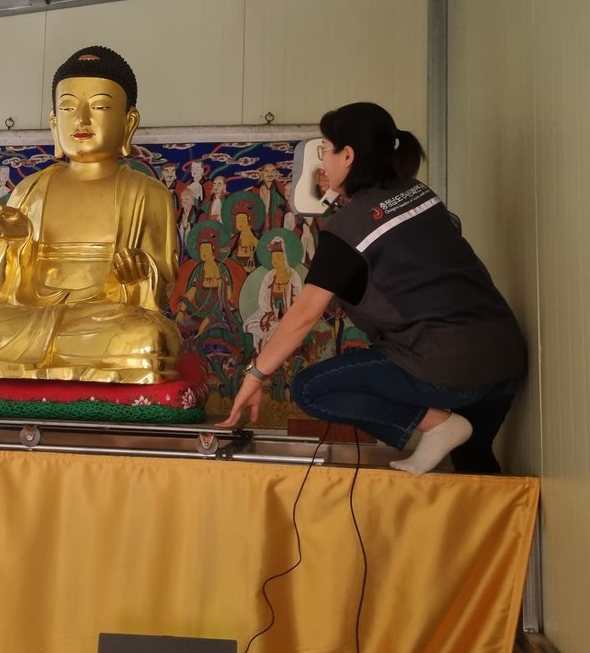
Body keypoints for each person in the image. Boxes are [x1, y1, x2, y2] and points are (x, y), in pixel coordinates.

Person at [218, 102, 527, 476]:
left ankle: (436, 424)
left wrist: (255, 376)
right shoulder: (418, 193)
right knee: (474, 458)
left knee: (311, 388)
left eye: (326, 150)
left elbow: (304, 315)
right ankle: (472, 475)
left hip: (448, 364)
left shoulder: (347, 231)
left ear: (348, 155)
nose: (323, 162)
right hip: (505, 356)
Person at [0, 46, 181, 383]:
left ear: (129, 122)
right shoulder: (30, 190)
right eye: (68, 108)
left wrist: (139, 273)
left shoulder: (147, 192)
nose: (81, 119)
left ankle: (32, 361)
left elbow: (159, 285)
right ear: (54, 123)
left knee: (148, 339)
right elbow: (2, 295)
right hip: (27, 316)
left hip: (102, 321)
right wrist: (14, 244)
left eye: (99, 106)